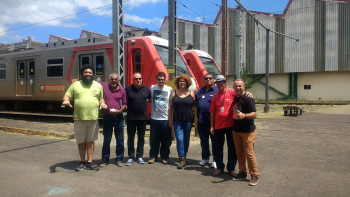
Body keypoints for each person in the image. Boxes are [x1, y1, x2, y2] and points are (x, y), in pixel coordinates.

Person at [62, 65, 107, 171]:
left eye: (90, 72)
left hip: (93, 118)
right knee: (81, 141)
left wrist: (103, 104)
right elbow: (67, 96)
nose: (88, 74)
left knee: (91, 141)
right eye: (86, 72)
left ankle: (90, 162)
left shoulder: (98, 85)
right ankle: (82, 161)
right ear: (82, 74)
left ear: (93, 74)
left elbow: (101, 99)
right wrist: (66, 101)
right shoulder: (75, 85)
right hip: (79, 118)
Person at [231, 79, 260, 186]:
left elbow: (255, 114)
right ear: (233, 87)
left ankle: (255, 175)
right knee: (240, 153)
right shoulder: (234, 97)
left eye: (240, 86)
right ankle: (243, 172)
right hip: (236, 131)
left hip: (248, 131)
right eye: (236, 86)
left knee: (249, 153)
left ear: (244, 87)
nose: (238, 88)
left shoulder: (248, 99)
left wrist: (244, 116)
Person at [209, 75, 237, 176]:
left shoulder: (232, 93)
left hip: (230, 125)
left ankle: (231, 168)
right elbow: (212, 112)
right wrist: (212, 126)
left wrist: (249, 93)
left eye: (222, 82)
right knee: (218, 148)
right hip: (218, 126)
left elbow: (241, 93)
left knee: (232, 148)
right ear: (215, 84)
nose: (220, 84)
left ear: (225, 83)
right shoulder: (215, 97)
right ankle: (220, 167)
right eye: (218, 82)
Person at [99, 73, 126, 167]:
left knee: (120, 139)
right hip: (107, 117)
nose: (114, 81)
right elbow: (94, 82)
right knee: (106, 139)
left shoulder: (122, 91)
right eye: (112, 79)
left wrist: (119, 111)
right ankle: (105, 159)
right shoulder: (105, 86)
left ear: (118, 80)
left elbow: (124, 104)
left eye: (115, 79)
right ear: (109, 80)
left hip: (118, 118)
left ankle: (119, 159)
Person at [169, 74, 195, 169]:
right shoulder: (173, 93)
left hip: (188, 121)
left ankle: (184, 155)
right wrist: (170, 120)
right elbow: (170, 107)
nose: (182, 83)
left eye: (184, 81)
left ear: (187, 83)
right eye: (180, 81)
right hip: (177, 121)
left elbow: (195, 107)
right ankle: (181, 159)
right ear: (178, 83)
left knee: (186, 139)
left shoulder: (192, 93)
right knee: (179, 139)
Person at [125, 73, 151, 166]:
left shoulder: (146, 89)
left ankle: (139, 156)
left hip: (142, 119)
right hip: (131, 118)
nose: (138, 80)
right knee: (130, 138)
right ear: (133, 80)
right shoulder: (128, 89)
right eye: (136, 79)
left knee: (141, 138)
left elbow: (149, 99)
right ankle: (131, 157)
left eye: (140, 78)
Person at [148, 72, 173, 165]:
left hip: (165, 118)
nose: (161, 81)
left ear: (165, 79)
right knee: (154, 138)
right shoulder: (152, 88)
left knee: (166, 139)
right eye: (159, 79)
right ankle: (153, 156)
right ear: (156, 79)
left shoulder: (169, 89)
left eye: (162, 79)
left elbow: (171, 104)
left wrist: (171, 119)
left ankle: (164, 156)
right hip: (154, 118)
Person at [195, 73, 217, 168]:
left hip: (213, 123)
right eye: (206, 78)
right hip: (201, 122)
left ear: (213, 80)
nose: (208, 80)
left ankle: (216, 160)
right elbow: (194, 100)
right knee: (204, 141)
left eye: (210, 78)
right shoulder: (200, 91)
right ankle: (205, 158)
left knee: (215, 142)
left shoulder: (216, 91)